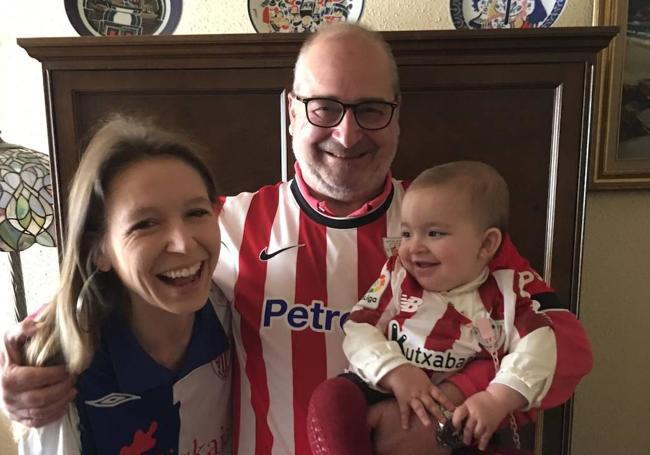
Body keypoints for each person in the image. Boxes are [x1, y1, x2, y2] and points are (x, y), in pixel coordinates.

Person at [1, 24, 592, 455]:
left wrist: (458, 413)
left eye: (371, 110)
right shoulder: (219, 225)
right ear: (291, 111)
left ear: (397, 115)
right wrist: (27, 375)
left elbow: (561, 343)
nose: (347, 131)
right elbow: (105, 287)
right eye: (325, 107)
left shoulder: (446, 230)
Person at [307, 161, 563, 454]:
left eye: (434, 234)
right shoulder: (398, 277)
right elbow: (359, 327)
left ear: (486, 244)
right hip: (381, 390)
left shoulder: (505, 294)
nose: (414, 247)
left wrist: (498, 398)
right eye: (406, 234)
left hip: (461, 416)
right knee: (332, 398)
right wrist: (395, 370)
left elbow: (539, 345)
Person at [16, 116, 232, 454]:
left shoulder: (238, 316)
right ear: (100, 250)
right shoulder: (64, 365)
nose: (184, 244)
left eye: (196, 213)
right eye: (146, 224)